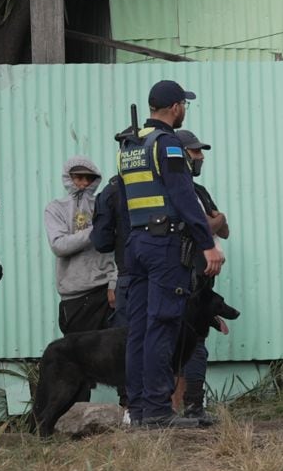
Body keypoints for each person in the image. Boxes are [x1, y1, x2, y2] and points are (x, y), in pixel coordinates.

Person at [118, 81, 223, 429]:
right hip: (164, 245)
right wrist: (207, 243)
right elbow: (183, 197)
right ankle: (158, 411)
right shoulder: (168, 144)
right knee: (162, 325)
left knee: (139, 329)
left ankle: (139, 409)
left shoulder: (129, 145)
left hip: (135, 244)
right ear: (176, 107)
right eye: (184, 106)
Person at [176, 130, 230, 423]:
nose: (201, 157)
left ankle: (191, 407)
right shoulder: (177, 189)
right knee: (192, 342)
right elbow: (204, 224)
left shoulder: (200, 190)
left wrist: (214, 221)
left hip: (205, 275)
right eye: (196, 152)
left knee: (193, 341)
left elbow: (223, 228)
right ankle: (192, 408)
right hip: (189, 273)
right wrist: (214, 220)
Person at [44, 156, 117, 335]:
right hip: (74, 294)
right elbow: (59, 245)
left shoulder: (103, 205)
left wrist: (114, 282)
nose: (83, 183)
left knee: (108, 353)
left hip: (104, 290)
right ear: (68, 178)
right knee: (78, 355)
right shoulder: (55, 208)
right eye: (78, 177)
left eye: (88, 178)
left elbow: (116, 247)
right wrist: (95, 231)